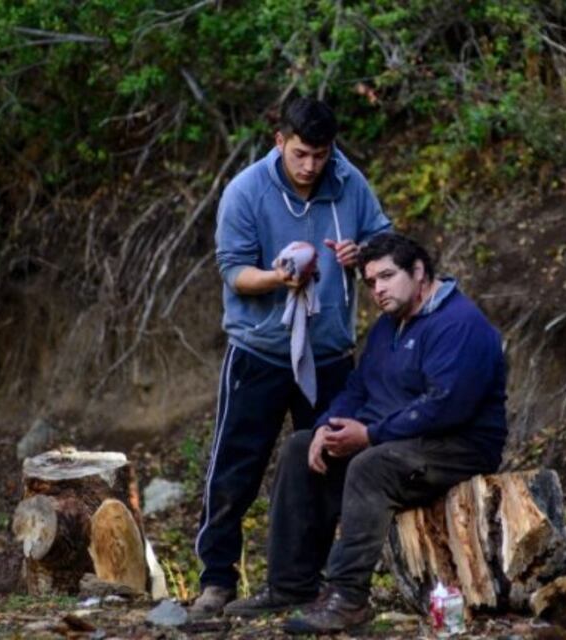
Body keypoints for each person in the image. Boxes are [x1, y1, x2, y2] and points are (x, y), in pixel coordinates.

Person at [222, 232, 507, 635]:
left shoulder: (459, 325)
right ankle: (291, 586)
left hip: (458, 447)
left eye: (387, 276)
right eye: (371, 282)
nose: (378, 289)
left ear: (419, 271)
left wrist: (371, 435)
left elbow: (446, 407)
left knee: (371, 466)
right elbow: (357, 387)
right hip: (401, 439)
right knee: (301, 445)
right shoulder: (389, 327)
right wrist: (328, 426)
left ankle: (348, 598)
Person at [190, 96, 391, 619]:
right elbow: (234, 272)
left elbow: (385, 244)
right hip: (259, 351)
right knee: (235, 469)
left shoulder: (349, 182)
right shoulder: (246, 191)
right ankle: (216, 580)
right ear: (279, 142)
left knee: (326, 467)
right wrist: (279, 279)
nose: (310, 166)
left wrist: (361, 255)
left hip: (328, 353)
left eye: (320, 155)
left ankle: (317, 579)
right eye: (301, 154)